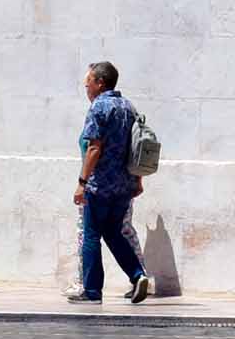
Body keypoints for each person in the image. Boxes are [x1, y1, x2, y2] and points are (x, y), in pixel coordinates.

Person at [66, 61, 154, 305]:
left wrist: (82, 182)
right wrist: (138, 180)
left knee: (92, 234)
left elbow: (94, 147)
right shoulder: (129, 107)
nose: (87, 89)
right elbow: (139, 147)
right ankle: (137, 275)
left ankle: (92, 290)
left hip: (100, 185)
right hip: (124, 185)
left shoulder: (99, 108)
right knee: (114, 233)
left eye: (88, 84)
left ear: (99, 83)